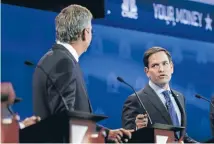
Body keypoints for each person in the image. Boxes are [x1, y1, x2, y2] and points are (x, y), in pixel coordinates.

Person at [33, 4, 133, 143]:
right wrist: (102, 135)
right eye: (91, 30)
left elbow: (70, 119)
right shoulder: (64, 62)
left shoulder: (51, 58)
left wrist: (106, 133)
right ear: (85, 33)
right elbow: (65, 119)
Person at [122, 47, 197, 143]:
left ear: (171, 67)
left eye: (165, 64)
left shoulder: (180, 97)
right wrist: (137, 128)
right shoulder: (135, 100)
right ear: (147, 71)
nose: (161, 69)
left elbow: (180, 136)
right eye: (155, 65)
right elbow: (129, 138)